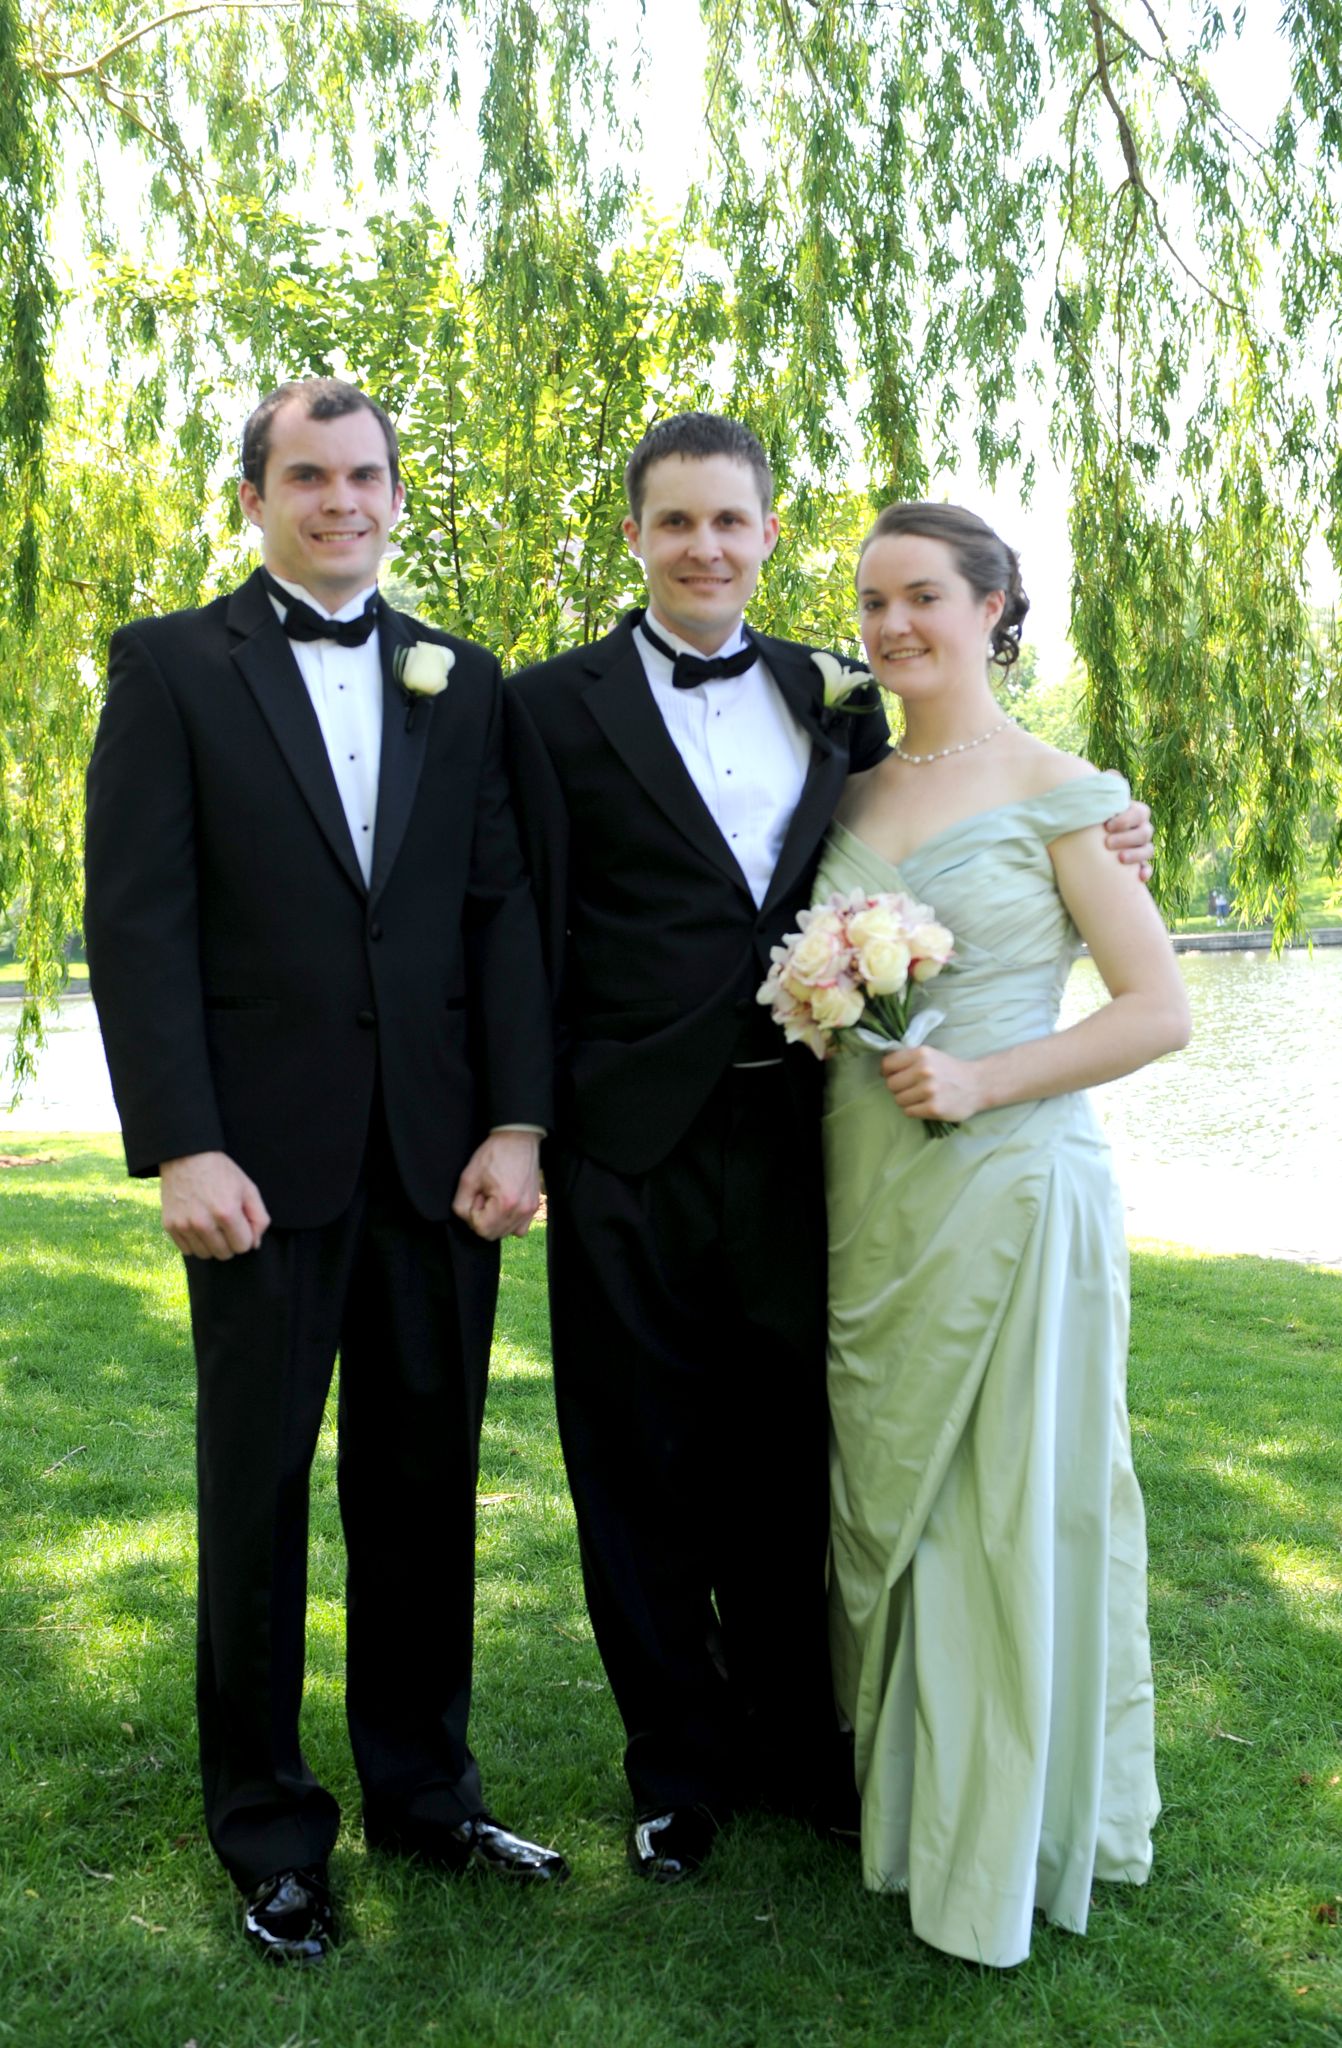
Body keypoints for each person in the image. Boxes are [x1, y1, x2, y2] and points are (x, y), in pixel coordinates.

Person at [506, 414, 1157, 1883]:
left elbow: (984, 816)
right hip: (625, 1141)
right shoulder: (543, 707)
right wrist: (524, 1123)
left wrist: (1114, 834)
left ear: (763, 531)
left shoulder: (837, 702)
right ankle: (675, 1772)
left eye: (729, 521)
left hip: (809, 1134)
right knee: (634, 1464)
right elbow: (513, 921)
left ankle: (804, 1744)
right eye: (675, 521)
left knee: (797, 1450)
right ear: (636, 534)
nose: (704, 547)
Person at [83, 378, 568, 1964]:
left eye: (364, 476)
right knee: (258, 1498)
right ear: (255, 498)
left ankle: (427, 1800)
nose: (340, 501)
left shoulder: (462, 680)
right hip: (256, 1167)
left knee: (424, 1493)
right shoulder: (171, 666)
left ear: (394, 495)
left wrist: (516, 1122)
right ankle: (271, 1834)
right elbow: (138, 920)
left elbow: (499, 912)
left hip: (439, 1161)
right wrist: (183, 1143)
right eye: (307, 476)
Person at [819, 502, 1190, 1967]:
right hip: (868, 1185)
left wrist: (981, 1080)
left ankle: (1000, 1834)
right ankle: (903, 1792)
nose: (893, 625)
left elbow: (1156, 1011)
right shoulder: (841, 779)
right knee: (890, 1485)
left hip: (1015, 1184)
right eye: (871, 601)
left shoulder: (1064, 793)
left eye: (923, 596)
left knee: (1006, 1500)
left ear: (992, 609)